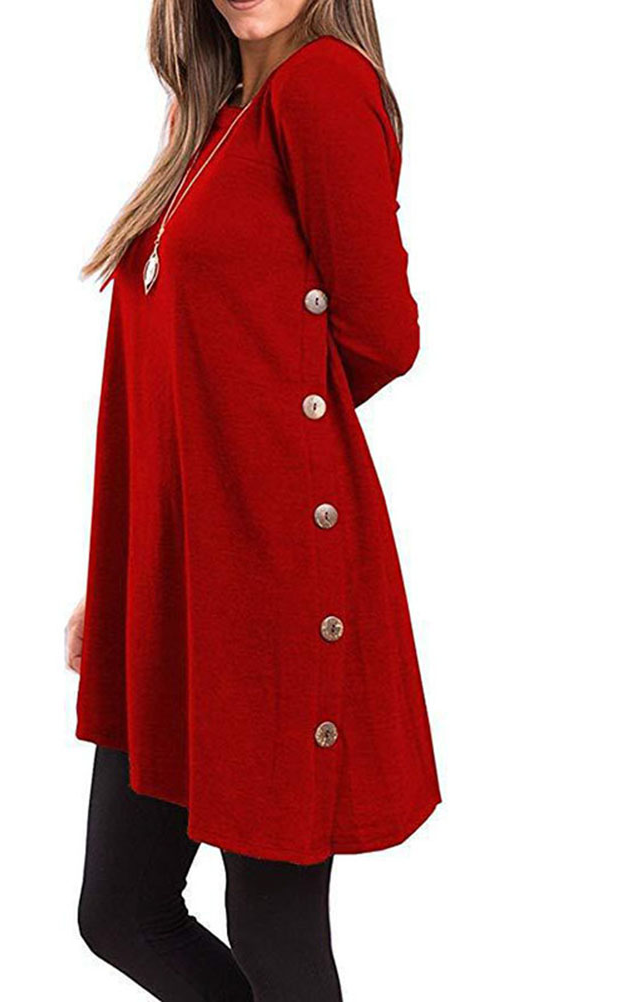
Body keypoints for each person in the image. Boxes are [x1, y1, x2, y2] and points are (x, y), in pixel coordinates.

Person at [66, 1, 440, 998]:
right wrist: (126, 584)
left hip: (272, 575)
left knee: (274, 934)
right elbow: (176, 382)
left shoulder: (322, 88)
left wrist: (263, 459)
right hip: (185, 577)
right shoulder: (215, 113)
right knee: (122, 910)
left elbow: (382, 336)